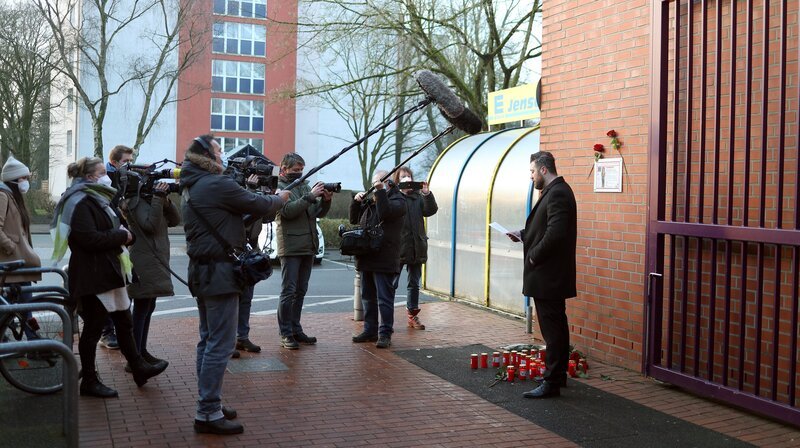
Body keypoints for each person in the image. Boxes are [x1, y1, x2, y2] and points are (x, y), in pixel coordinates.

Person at [181, 135, 287, 435]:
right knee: (220, 344)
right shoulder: (216, 184)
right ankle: (207, 412)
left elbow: (239, 211)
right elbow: (259, 204)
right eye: (218, 150)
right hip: (219, 274)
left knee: (208, 340)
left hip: (203, 272)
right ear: (206, 155)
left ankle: (209, 401)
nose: (223, 155)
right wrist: (280, 198)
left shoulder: (193, 185)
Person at [51, 157, 168, 398]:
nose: (108, 176)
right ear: (90, 177)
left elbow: (118, 228)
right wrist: (121, 236)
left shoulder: (98, 198)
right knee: (93, 329)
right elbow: (89, 239)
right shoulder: (79, 201)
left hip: (109, 271)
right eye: (103, 172)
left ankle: (138, 367)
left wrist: (125, 235)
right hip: (93, 274)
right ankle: (89, 380)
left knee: (124, 322)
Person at [507, 151, 577, 399]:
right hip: (550, 275)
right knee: (556, 327)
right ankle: (557, 376)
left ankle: (552, 382)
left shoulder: (557, 193)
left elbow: (556, 233)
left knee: (553, 330)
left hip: (549, 275)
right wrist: (523, 234)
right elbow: (545, 227)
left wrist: (534, 256)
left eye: (532, 171)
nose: (531, 176)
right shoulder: (555, 191)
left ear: (544, 170)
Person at [121, 164, 181, 372]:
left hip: (156, 258)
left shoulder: (150, 199)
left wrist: (164, 200)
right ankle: (134, 358)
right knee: (141, 308)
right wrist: (157, 199)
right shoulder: (133, 202)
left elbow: (175, 220)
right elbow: (150, 226)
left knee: (148, 307)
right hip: (144, 261)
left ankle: (142, 351)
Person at [274, 153, 332, 350]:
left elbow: (315, 213)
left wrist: (325, 201)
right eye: (295, 170)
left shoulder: (304, 186)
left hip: (308, 244)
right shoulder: (279, 187)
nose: (299, 173)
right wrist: (311, 196)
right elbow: (287, 211)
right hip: (290, 246)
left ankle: (295, 329)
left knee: (300, 291)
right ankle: (285, 333)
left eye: (301, 170)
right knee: (288, 291)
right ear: (284, 168)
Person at [350, 170, 406, 349]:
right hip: (367, 256)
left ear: (389, 182)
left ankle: (385, 333)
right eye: (374, 182)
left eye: (380, 182)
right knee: (367, 297)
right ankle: (370, 330)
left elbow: (385, 213)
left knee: (384, 298)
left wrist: (380, 191)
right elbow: (354, 219)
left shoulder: (399, 200)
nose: (375, 185)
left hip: (385, 256)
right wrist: (356, 203)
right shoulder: (372, 199)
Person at [98, 145, 135, 350]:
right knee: (107, 292)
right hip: (109, 246)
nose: (129, 165)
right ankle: (106, 332)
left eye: (130, 161)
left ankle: (117, 334)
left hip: (119, 244)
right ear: (114, 162)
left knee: (119, 291)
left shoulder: (124, 179)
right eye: (125, 161)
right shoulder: (106, 182)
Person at [0, 157, 42, 340]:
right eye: (24, 178)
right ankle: (32, 342)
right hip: (11, 260)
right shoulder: (3, 195)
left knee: (23, 304)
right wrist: (11, 246)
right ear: (15, 179)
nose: (26, 182)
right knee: (22, 303)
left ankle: (32, 341)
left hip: (18, 261)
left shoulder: (12, 196)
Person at [393, 166, 437, 330]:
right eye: (403, 177)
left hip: (416, 246)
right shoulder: (394, 197)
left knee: (414, 283)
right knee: (391, 283)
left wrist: (427, 193)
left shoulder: (418, 197)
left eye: (409, 176)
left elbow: (430, 210)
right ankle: (386, 316)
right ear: (398, 180)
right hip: (398, 248)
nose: (407, 179)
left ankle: (412, 315)